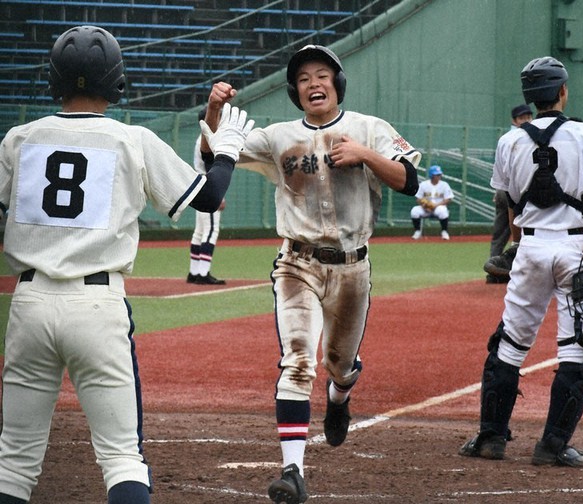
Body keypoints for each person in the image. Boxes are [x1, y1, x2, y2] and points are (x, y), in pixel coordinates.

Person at [0, 25, 253, 504]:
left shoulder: (18, 138)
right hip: (97, 304)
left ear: (53, 78)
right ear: (115, 79)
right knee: (120, 458)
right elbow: (209, 197)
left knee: (12, 462)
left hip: (28, 302)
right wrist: (227, 149)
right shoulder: (131, 139)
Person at [202, 45, 420, 504]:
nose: (314, 84)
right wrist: (214, 108)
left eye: (322, 75)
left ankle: (340, 396)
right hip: (295, 264)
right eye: (303, 79)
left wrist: (364, 154)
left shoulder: (368, 129)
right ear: (294, 91)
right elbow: (217, 150)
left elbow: (408, 180)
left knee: (339, 365)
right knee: (297, 363)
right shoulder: (278, 136)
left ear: (337, 84)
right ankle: (293, 471)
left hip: (352, 267)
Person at [458, 56, 583, 467]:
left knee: (511, 344)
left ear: (529, 99)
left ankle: (491, 439)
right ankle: (552, 446)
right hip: (575, 250)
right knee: (577, 347)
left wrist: (518, 240)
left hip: (531, 249)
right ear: (563, 92)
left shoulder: (509, 141)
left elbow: (508, 201)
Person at [486, 104, 533, 283]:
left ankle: (495, 271)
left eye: (529, 116)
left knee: (501, 232)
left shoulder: (507, 138)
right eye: (522, 117)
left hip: (504, 188)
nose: (527, 120)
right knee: (519, 232)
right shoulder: (520, 138)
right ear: (514, 121)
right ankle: (513, 271)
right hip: (513, 190)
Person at [187, 107, 227, 285]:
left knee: (199, 232)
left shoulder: (200, 139)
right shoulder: (208, 141)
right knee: (210, 231)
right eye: (215, 116)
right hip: (208, 188)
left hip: (199, 188)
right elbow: (212, 169)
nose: (218, 119)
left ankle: (194, 271)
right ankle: (203, 273)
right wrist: (219, 195)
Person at [410, 165, 454, 240]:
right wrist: (425, 206)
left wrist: (435, 205)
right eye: (437, 175)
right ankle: (417, 231)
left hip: (438, 207)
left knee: (442, 210)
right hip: (426, 209)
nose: (439, 176)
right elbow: (418, 198)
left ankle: (444, 232)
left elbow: (448, 199)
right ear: (432, 175)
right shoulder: (423, 184)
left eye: (439, 174)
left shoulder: (444, 185)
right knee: (414, 211)